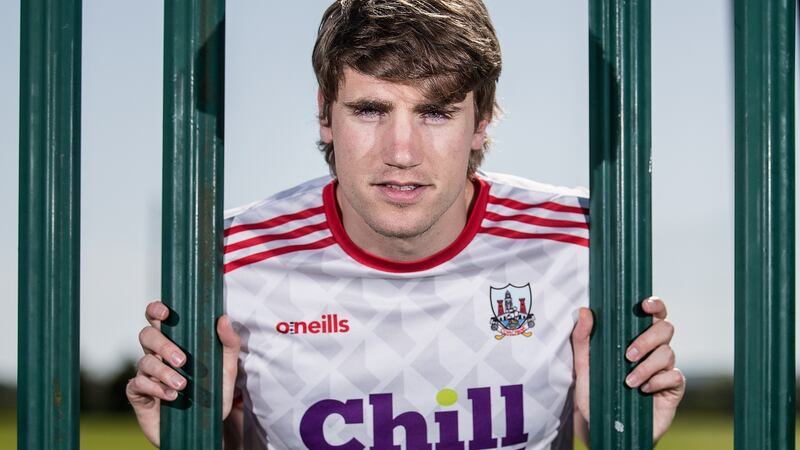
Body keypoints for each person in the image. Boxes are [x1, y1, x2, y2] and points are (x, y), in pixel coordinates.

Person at [127, 1, 685, 448]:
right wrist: (185, 434)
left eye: (436, 111)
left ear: (480, 121)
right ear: (325, 115)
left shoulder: (581, 236)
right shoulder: (231, 255)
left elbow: (590, 426)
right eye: (369, 110)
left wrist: (628, 427)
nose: (401, 152)